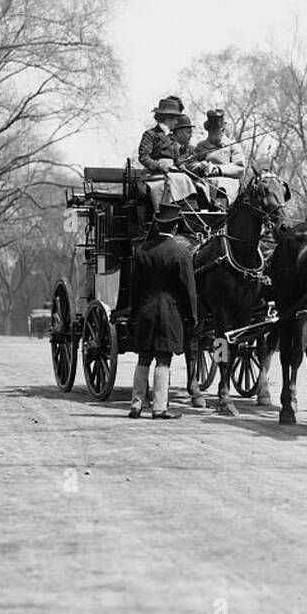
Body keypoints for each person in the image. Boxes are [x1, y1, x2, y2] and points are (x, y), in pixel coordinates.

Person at [129, 203, 198, 420]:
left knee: (143, 358)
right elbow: (188, 290)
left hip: (146, 310)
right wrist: (192, 317)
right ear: (176, 227)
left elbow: (135, 287)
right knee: (163, 359)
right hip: (170, 313)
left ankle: (136, 405)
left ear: (158, 226)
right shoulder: (180, 253)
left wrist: (134, 312)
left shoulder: (142, 251)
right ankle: (159, 408)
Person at [137, 96, 185, 174]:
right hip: (154, 174)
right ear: (168, 118)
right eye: (176, 119)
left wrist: (180, 165)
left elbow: (176, 159)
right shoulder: (150, 134)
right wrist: (158, 165)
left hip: (172, 172)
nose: (177, 122)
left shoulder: (172, 137)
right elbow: (144, 157)